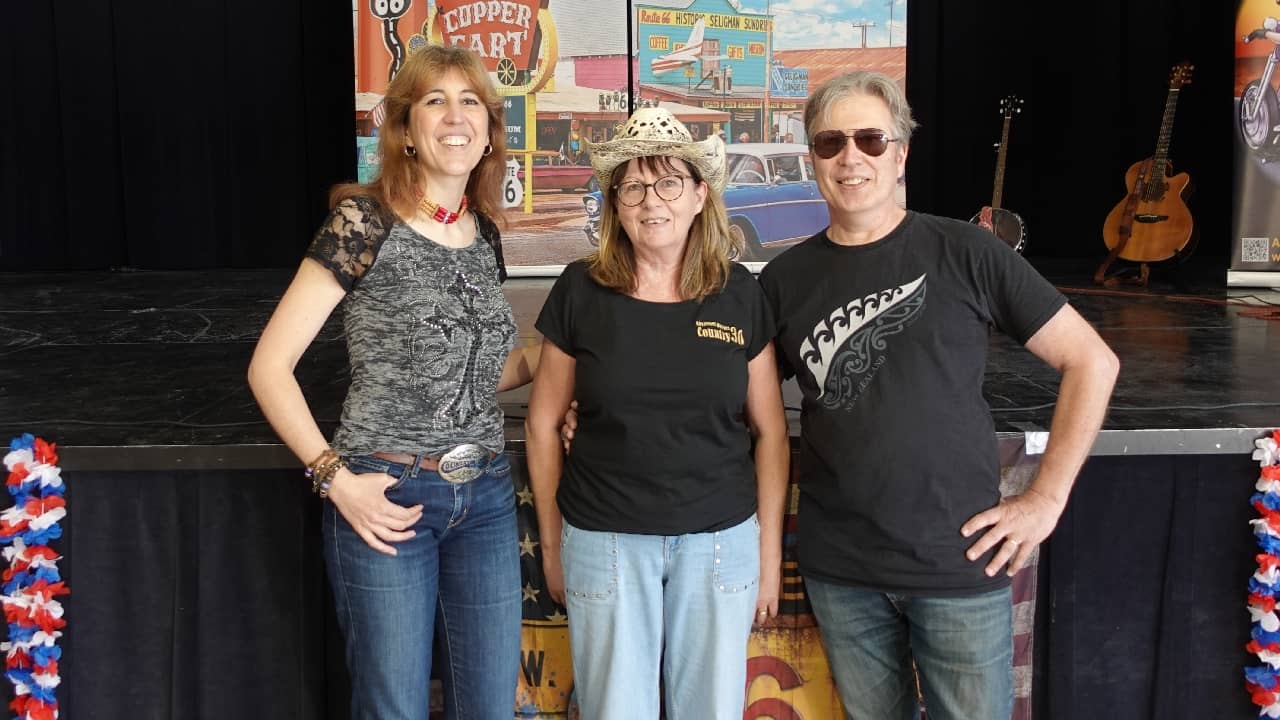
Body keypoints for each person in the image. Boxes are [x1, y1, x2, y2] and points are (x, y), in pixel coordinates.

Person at [756, 71, 1120, 719]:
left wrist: (1046, 498)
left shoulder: (967, 251)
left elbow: (1092, 360)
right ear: (812, 156)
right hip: (841, 573)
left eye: (871, 139)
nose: (850, 157)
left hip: (957, 563)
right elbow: (737, 400)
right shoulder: (784, 279)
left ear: (900, 154)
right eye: (830, 142)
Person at [247, 44, 537, 720]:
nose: (456, 116)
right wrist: (335, 479)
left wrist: (571, 357)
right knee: (393, 709)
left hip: (487, 498)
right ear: (405, 129)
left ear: (492, 131)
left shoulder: (483, 231)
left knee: (491, 707)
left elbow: (473, 373)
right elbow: (269, 367)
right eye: (435, 100)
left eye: (472, 102)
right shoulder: (362, 221)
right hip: (387, 497)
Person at [523, 107, 789, 720]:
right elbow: (543, 422)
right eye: (633, 186)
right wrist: (555, 544)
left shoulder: (739, 292)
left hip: (720, 544)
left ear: (700, 195)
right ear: (616, 203)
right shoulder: (580, 288)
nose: (651, 200)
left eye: (668, 182)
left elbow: (771, 432)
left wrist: (767, 556)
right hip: (605, 542)